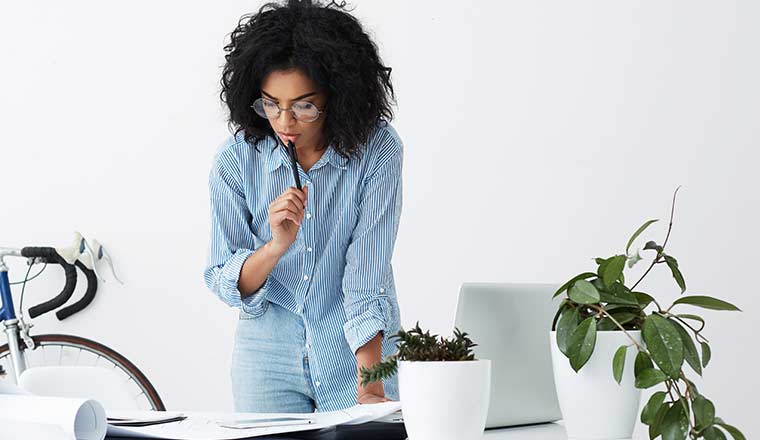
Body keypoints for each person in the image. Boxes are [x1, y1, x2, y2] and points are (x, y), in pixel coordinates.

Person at [203, 0, 403, 413]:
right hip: (265, 359)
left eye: (304, 106)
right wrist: (275, 246)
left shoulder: (378, 152)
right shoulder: (236, 160)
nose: (284, 121)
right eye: (270, 103)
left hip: (355, 355)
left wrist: (370, 385)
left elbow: (367, 277)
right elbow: (225, 278)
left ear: (339, 95)